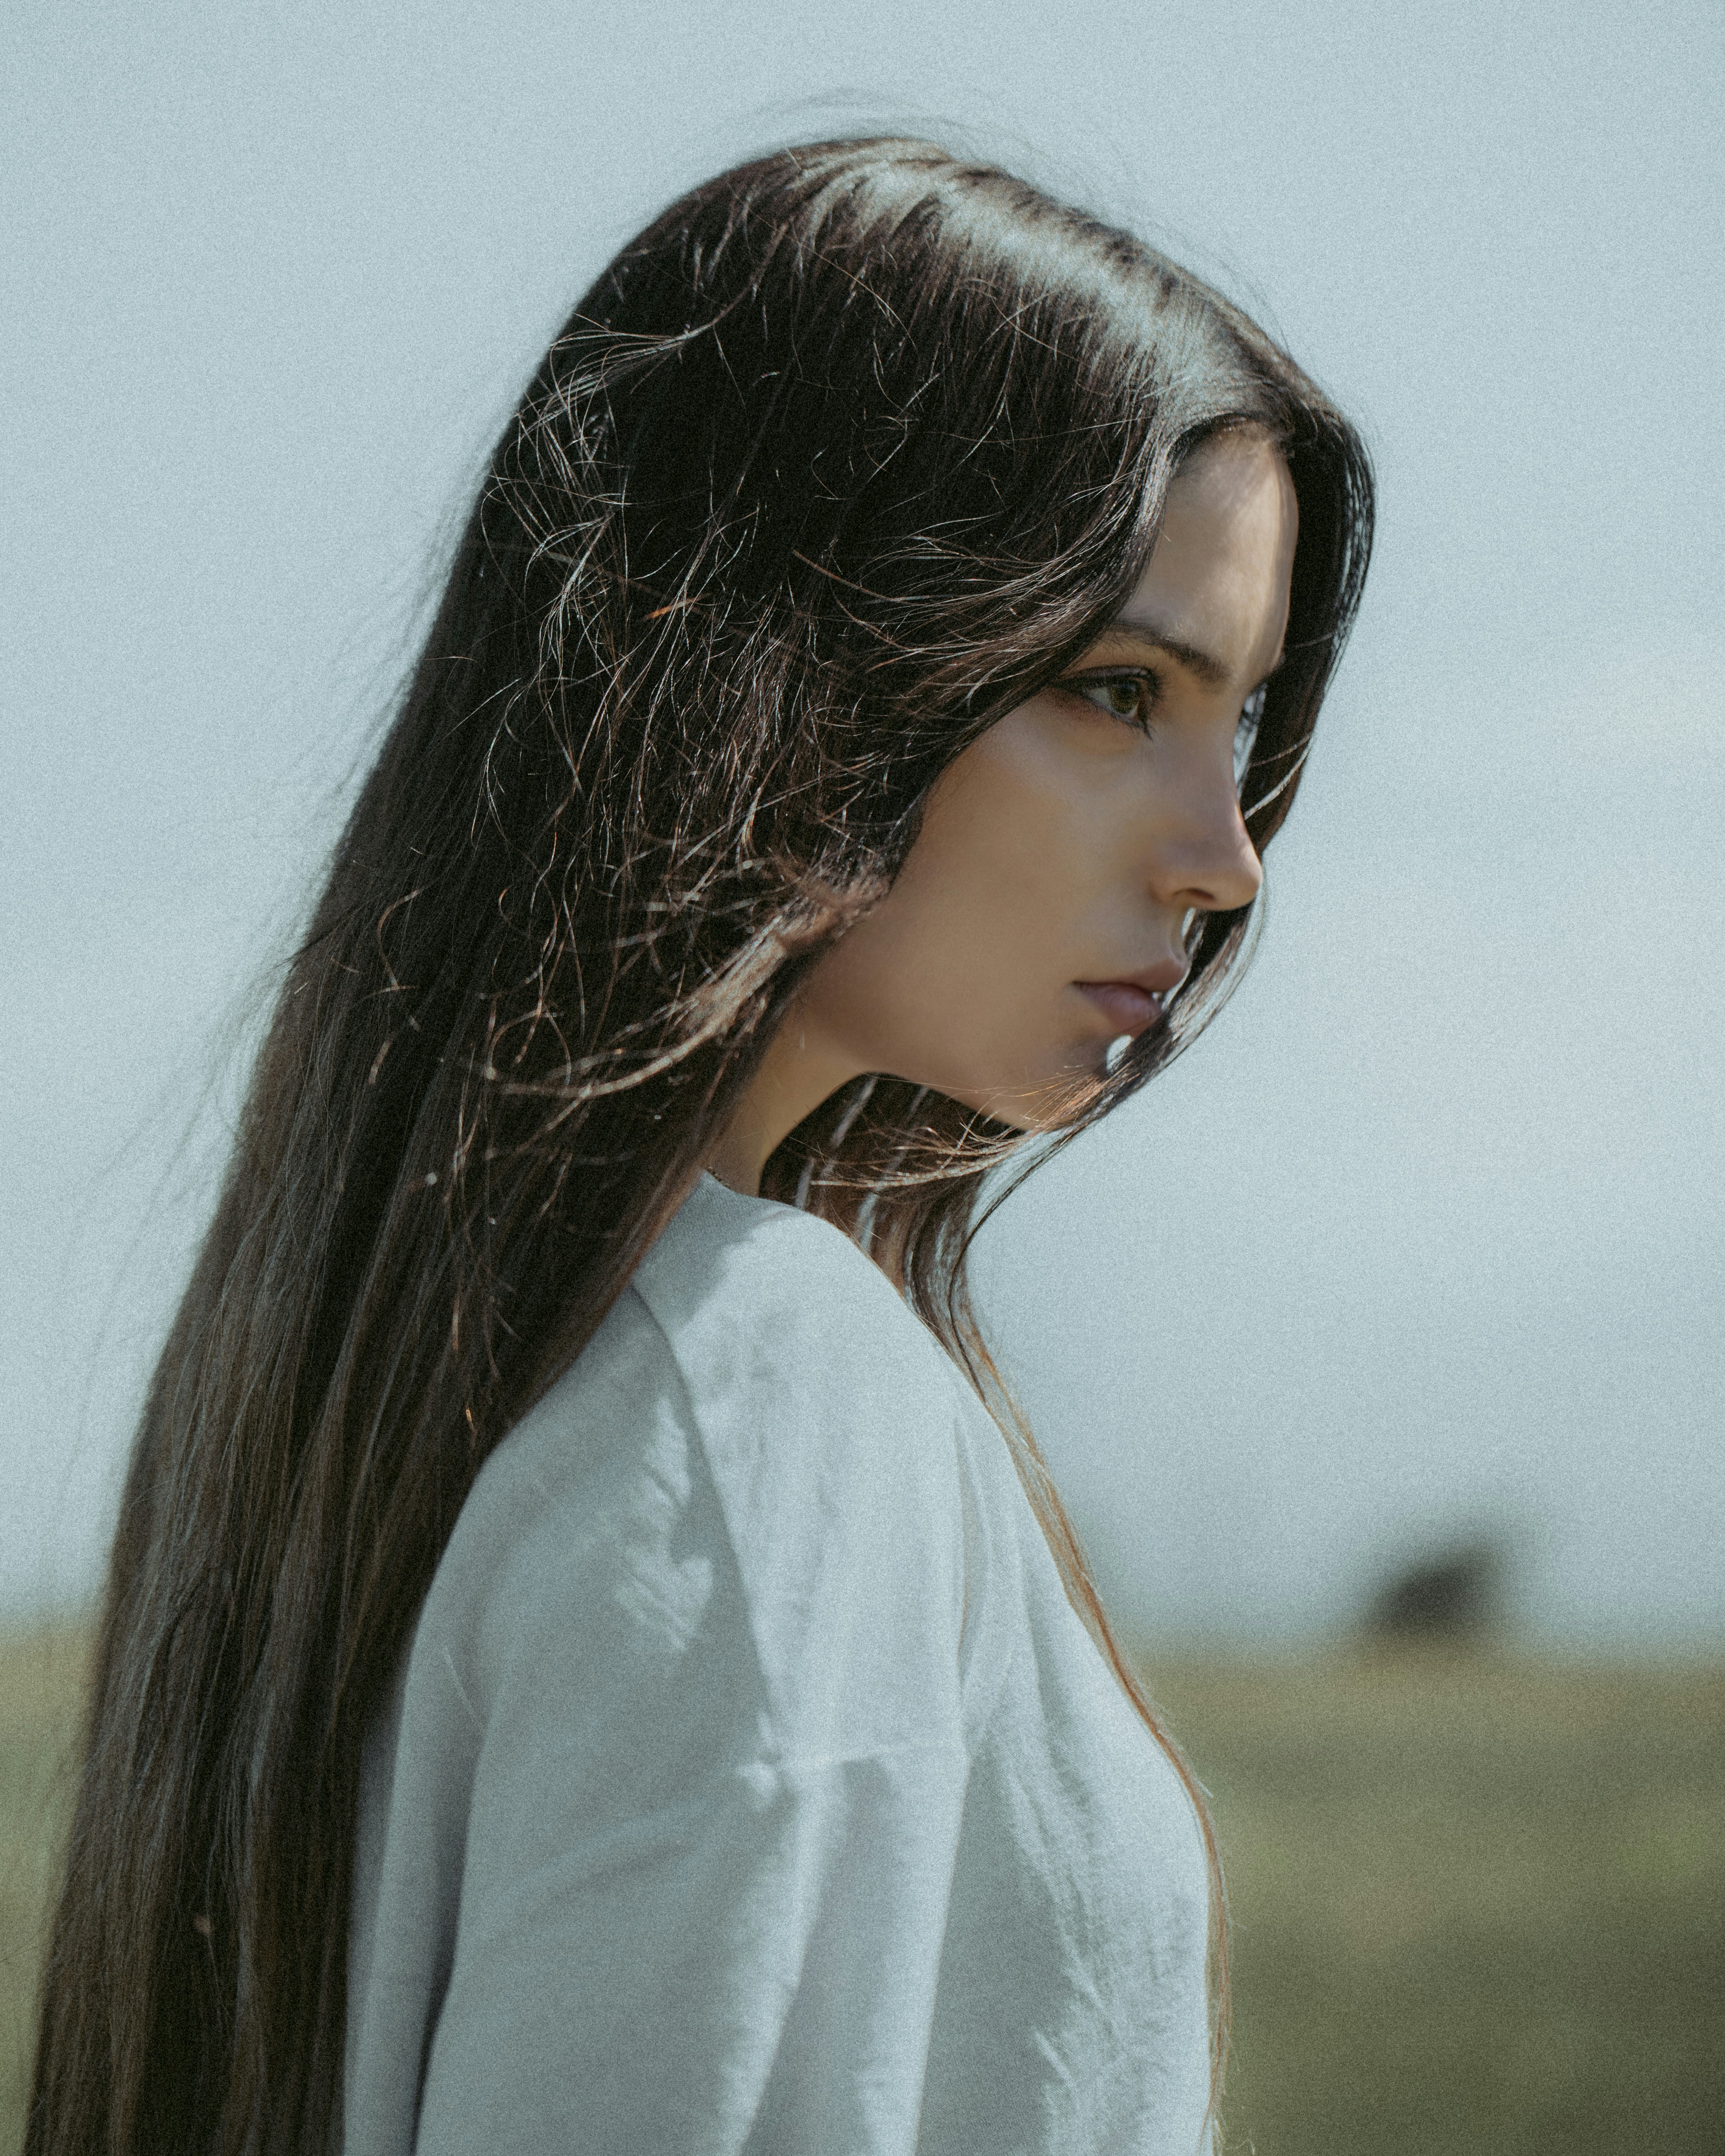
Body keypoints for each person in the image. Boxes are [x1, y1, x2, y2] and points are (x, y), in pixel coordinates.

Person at [28, 138, 1372, 2156]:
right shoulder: (759, 1403)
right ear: (797, 665)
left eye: (1241, 720)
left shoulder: (370, 1385)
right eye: (1119, 691)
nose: (1226, 855)